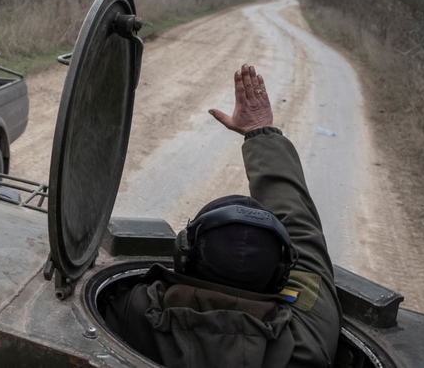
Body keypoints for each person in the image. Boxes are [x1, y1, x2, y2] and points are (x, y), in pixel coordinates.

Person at [103, 64, 341, 367]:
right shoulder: (307, 344)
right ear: (282, 275)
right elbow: (303, 233)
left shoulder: (128, 311)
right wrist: (261, 133)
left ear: (184, 254)